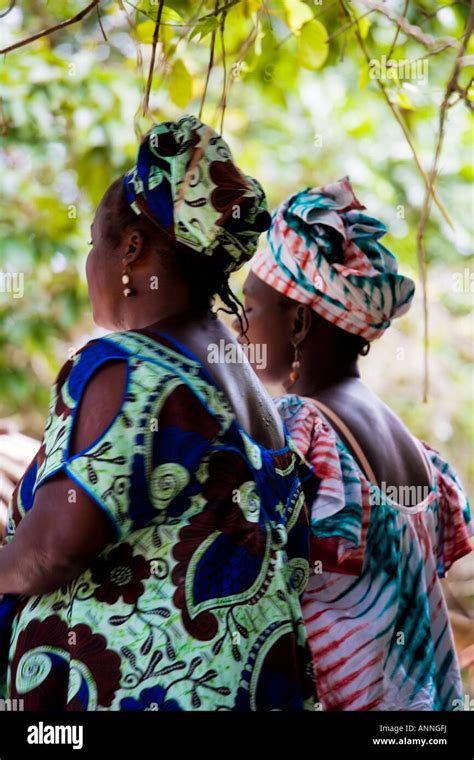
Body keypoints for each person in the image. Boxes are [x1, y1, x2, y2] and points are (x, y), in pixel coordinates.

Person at [0, 116, 316, 711]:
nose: (90, 261)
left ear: (133, 249)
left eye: (96, 241)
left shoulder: (125, 368)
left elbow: (52, 549)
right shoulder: (253, 396)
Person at [235, 177, 472, 711]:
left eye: (251, 307)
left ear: (297, 320)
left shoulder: (300, 426)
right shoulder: (416, 452)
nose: (237, 325)